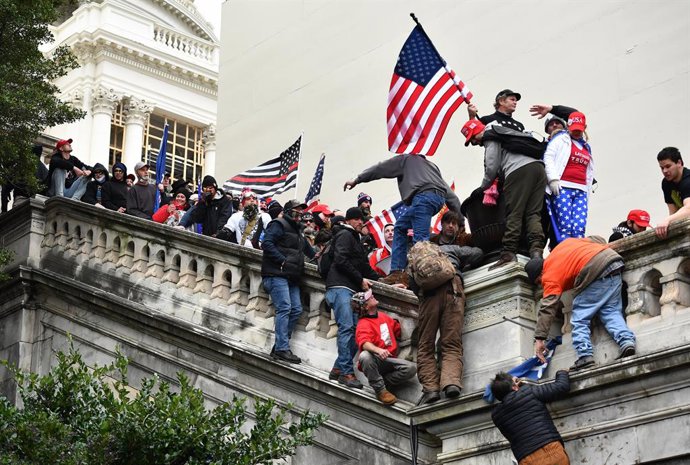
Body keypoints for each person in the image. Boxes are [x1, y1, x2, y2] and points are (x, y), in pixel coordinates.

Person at [343, 154, 461, 285]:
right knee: (399, 227)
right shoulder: (432, 167)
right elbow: (452, 198)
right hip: (436, 200)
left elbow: (381, 168)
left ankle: (422, 274)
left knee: (420, 241)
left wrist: (358, 179)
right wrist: (461, 223)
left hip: (422, 198)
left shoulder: (406, 159)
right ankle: (397, 272)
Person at [525, 236, 636, 370]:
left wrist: (539, 338)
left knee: (579, 319)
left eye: (539, 282)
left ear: (540, 274)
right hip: (613, 263)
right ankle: (627, 342)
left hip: (595, 272)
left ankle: (585, 355)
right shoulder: (563, 246)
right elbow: (598, 239)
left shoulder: (549, 275)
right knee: (610, 311)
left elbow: (548, 307)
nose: (541, 285)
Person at [463, 119, 547, 269]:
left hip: (518, 171)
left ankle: (508, 253)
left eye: (472, 138)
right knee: (533, 214)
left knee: (514, 212)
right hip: (538, 169)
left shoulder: (490, 135)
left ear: (477, 131)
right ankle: (536, 251)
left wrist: (483, 187)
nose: (475, 143)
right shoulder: (504, 132)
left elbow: (492, 166)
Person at [407, 240, 482, 405]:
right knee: (451, 343)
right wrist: (463, 267)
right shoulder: (449, 250)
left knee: (425, 346)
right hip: (453, 292)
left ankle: (431, 389)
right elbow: (477, 253)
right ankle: (451, 384)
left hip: (429, 299)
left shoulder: (412, 262)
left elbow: (413, 286)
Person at [325, 207, 380, 388]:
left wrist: (385, 282)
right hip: (340, 287)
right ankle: (347, 374)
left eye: (361, 219)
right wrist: (360, 279)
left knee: (355, 331)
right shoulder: (345, 235)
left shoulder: (356, 239)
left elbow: (365, 268)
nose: (360, 221)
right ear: (348, 220)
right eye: (356, 219)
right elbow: (341, 260)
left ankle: (338, 369)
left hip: (349, 290)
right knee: (347, 328)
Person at [261, 200, 315, 364]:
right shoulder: (278, 224)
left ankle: (279, 346)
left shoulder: (298, 231)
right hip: (276, 274)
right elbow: (266, 243)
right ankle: (282, 348)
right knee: (285, 307)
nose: (300, 214)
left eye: (301, 211)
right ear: (288, 211)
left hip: (291, 275)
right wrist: (282, 260)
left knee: (296, 309)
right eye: (297, 210)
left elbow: (310, 252)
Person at [490, 370, 571, 465]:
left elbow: (518, 400)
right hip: (550, 451)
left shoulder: (496, 416)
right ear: (514, 387)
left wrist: (516, 387)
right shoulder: (530, 392)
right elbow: (562, 387)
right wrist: (562, 373)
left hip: (526, 460)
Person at [352, 289, 417, 406]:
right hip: (377, 361)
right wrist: (378, 350)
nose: (372, 296)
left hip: (390, 360)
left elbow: (398, 330)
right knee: (364, 356)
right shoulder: (363, 324)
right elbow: (364, 343)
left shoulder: (383, 316)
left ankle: (384, 382)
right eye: (369, 297)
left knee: (411, 368)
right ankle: (380, 390)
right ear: (366, 307)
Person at [539, 111, 594, 241]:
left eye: (579, 130)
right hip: (563, 187)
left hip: (581, 190)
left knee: (579, 226)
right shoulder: (560, 139)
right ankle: (567, 250)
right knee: (565, 225)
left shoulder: (586, 146)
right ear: (568, 127)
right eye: (574, 129)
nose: (576, 132)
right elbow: (548, 157)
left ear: (584, 128)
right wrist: (553, 179)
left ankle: (579, 250)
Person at [656, 147, 690, 238]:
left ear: (679, 163)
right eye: (662, 168)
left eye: (668, 166)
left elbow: (689, 209)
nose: (665, 171)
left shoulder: (688, 180)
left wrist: (667, 220)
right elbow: (673, 212)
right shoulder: (666, 183)